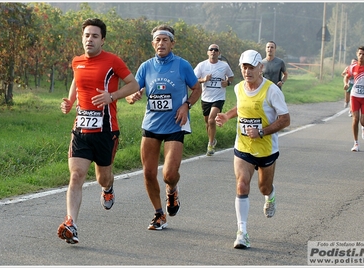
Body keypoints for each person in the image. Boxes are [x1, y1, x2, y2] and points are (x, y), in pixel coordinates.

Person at [57, 18, 140, 244]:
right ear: (82, 38)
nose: (89, 39)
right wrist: (70, 101)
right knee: (76, 175)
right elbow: (76, 81)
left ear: (102, 40)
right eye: (86, 35)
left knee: (103, 178)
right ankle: (71, 223)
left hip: (106, 131)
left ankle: (109, 187)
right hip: (81, 130)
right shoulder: (77, 61)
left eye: (94, 36)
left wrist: (111, 96)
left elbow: (133, 84)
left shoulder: (113, 61)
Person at [125, 25, 202, 230]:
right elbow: (132, 88)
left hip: (175, 124)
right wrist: (132, 95)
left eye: (165, 40)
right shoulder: (146, 66)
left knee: (168, 174)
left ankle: (172, 190)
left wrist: (187, 105)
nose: (161, 44)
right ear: (153, 44)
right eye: (157, 40)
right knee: (149, 173)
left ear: (172, 43)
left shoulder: (182, 65)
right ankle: (159, 214)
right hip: (151, 125)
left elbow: (197, 88)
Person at [215, 50, 290, 249]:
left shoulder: (272, 90)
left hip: (266, 148)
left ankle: (270, 196)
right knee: (242, 185)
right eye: (244, 67)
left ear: (261, 68)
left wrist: (262, 132)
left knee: (263, 187)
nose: (247, 71)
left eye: (251, 67)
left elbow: (285, 119)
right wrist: (227, 116)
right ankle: (242, 232)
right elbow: (241, 107)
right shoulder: (239, 88)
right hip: (243, 147)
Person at [194, 44, 234, 156]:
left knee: (212, 120)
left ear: (219, 53)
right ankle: (212, 139)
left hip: (219, 97)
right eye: (211, 50)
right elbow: (193, 80)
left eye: (216, 50)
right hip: (206, 97)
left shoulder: (224, 65)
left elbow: (231, 77)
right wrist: (203, 79)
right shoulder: (202, 65)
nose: (213, 51)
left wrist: (228, 82)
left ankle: (210, 145)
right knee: (207, 122)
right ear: (208, 53)